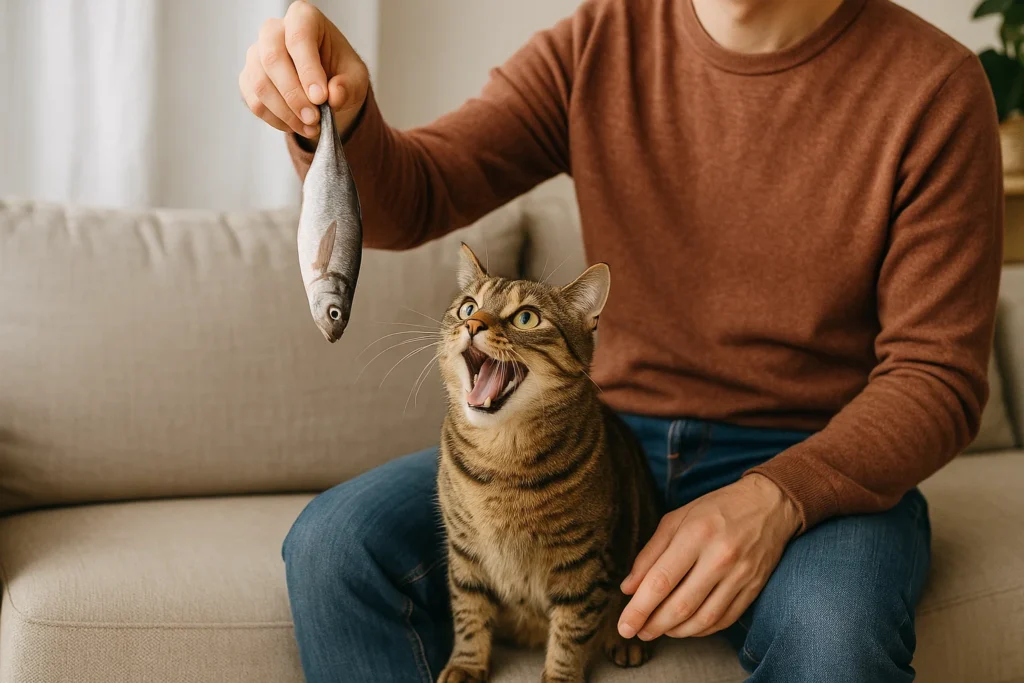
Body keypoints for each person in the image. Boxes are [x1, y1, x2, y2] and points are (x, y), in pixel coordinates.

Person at [238, 0, 1004, 680]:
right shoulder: (601, 40)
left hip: (813, 459)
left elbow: (937, 377)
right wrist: (339, 117)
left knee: (837, 635)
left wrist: (778, 497)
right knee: (334, 548)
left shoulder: (934, 87)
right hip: (598, 438)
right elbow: (422, 193)